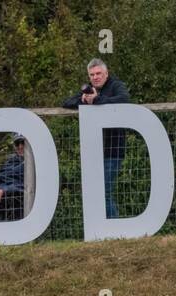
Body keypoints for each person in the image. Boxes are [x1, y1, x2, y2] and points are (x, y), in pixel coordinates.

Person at [62, 59, 131, 217]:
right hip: (94, 151)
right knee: (96, 192)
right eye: (92, 74)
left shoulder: (116, 85)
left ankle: (114, 229)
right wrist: (84, 100)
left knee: (104, 192)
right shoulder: (89, 89)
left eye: (98, 73)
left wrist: (97, 100)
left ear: (106, 74)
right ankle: (106, 230)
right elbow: (66, 102)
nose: (95, 77)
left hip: (113, 150)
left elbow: (124, 99)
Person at [0, 132, 29, 221]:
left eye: (23, 143)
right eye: (17, 144)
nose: (20, 146)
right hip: (0, 188)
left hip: (14, 193)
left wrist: (5, 190)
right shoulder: (10, 161)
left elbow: (28, 185)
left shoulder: (32, 163)